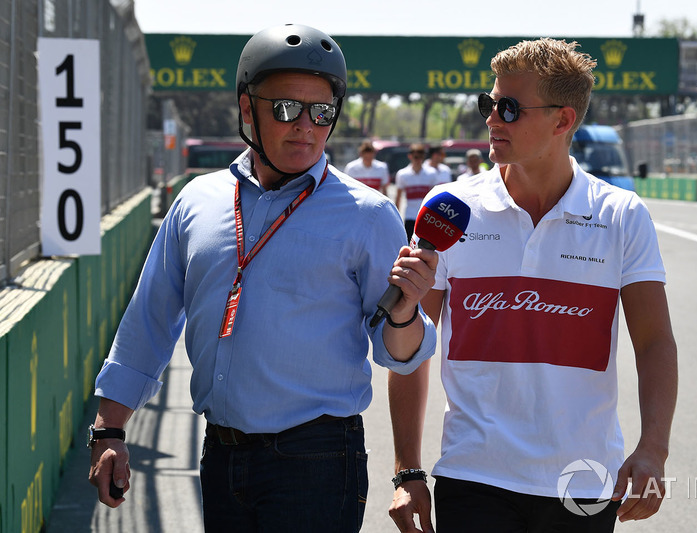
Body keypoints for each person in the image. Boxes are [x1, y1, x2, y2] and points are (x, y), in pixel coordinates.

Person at [87, 24, 439, 533]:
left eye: (322, 112)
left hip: (317, 461)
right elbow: (149, 318)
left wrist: (406, 312)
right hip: (221, 455)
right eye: (285, 109)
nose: (306, 126)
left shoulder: (369, 214)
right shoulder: (197, 201)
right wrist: (108, 428)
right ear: (246, 108)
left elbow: (400, 356)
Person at [388, 38, 678, 533]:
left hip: (582, 481)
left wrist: (653, 449)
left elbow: (653, 343)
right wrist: (407, 469)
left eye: (509, 108)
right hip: (472, 475)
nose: (491, 119)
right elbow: (410, 351)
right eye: (488, 104)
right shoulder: (448, 208)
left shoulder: (621, 215)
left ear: (563, 120)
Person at [394, 143, 440, 241]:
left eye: (420, 157)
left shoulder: (431, 173)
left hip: (426, 216)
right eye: (415, 157)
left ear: (423, 157)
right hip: (410, 216)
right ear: (410, 156)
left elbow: (435, 197)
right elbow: (398, 197)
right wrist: (395, 217)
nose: (417, 160)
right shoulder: (402, 174)